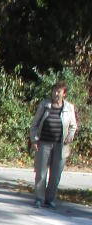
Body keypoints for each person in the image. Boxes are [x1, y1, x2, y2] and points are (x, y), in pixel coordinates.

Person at [29, 81, 79, 209]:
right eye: (54, 91)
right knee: (41, 173)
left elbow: (73, 126)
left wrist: (70, 137)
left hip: (60, 146)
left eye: (58, 91)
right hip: (44, 143)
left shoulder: (69, 108)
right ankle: (39, 198)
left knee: (56, 174)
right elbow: (34, 124)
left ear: (64, 94)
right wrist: (34, 140)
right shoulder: (45, 105)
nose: (55, 94)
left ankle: (50, 199)